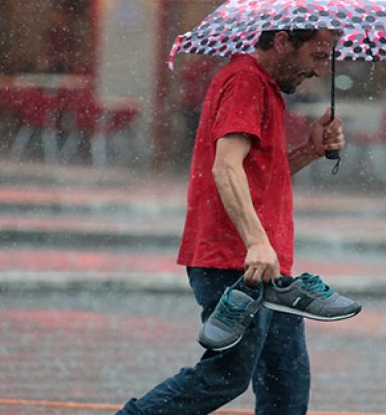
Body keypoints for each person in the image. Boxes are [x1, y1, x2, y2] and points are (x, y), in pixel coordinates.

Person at [117, 28, 346, 415]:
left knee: (286, 387)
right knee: (225, 376)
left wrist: (312, 150)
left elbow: (262, 175)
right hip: (236, 262)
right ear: (283, 41)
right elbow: (225, 167)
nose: (320, 71)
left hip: (268, 266)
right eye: (318, 55)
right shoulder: (246, 82)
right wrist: (257, 242)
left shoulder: (265, 88)